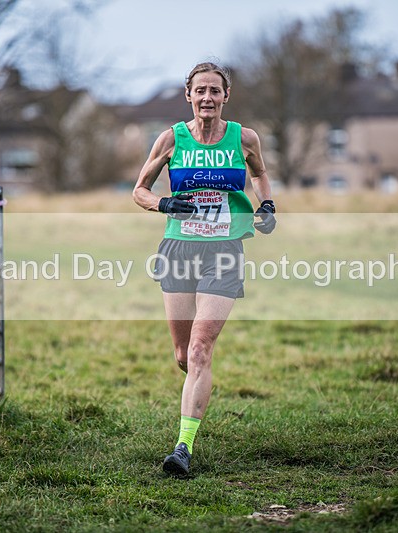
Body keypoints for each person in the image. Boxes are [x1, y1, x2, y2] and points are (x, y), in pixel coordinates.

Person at [132, 62, 276, 476]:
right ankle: (199, 380)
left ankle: (183, 447)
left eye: (215, 90)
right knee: (183, 355)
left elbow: (260, 173)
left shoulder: (244, 138)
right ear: (189, 95)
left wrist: (267, 205)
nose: (207, 97)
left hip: (224, 251)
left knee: (200, 349)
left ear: (226, 96)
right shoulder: (171, 139)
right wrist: (163, 203)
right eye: (200, 90)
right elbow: (139, 190)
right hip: (179, 249)